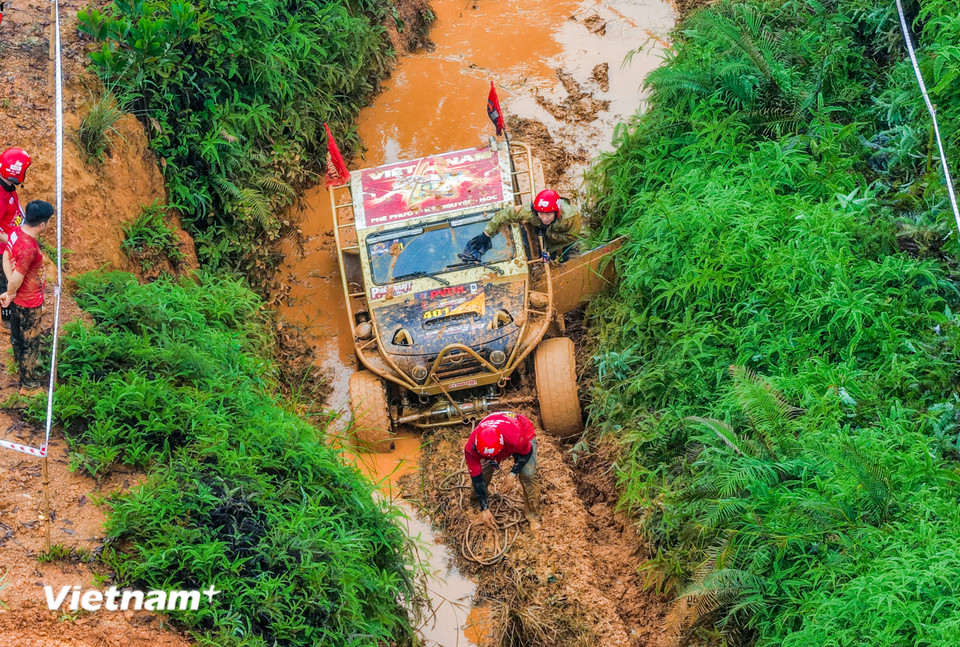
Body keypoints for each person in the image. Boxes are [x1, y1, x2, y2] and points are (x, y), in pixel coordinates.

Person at [1, 200, 52, 396]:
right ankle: (28, 385)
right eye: (48, 222)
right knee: (30, 342)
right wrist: (11, 290)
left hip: (19, 299)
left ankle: (21, 364)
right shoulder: (29, 247)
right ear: (42, 224)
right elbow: (18, 278)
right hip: (29, 302)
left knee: (17, 336)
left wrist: (10, 290)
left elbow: (6, 256)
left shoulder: (15, 232)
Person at [464, 411, 541, 531]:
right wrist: (485, 508)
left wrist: (513, 474)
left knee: (528, 475)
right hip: (494, 431)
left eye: (494, 456)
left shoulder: (516, 438)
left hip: (521, 430)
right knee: (483, 473)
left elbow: (527, 452)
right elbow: (476, 477)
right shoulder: (471, 447)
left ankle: (533, 516)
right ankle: (477, 504)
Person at [460, 189, 581, 263]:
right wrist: (486, 234)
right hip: (545, 235)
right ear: (536, 211)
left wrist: (548, 234)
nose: (544, 218)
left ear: (556, 212)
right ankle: (548, 257)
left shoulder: (570, 217)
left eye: (549, 214)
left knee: (566, 259)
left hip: (563, 239)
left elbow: (572, 236)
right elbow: (504, 215)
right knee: (547, 256)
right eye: (541, 214)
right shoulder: (529, 212)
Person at [0, 148, 31, 325]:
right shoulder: (1, 197)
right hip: (4, 249)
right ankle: (7, 318)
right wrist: (11, 241)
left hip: (11, 244)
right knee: (6, 281)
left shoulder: (7, 187)